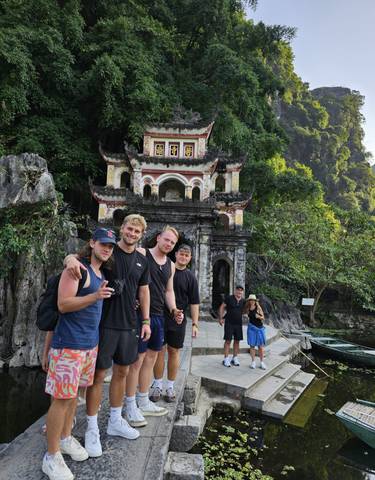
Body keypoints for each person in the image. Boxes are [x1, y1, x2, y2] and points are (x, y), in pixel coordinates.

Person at [65, 214, 151, 458]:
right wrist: (69, 257)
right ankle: (92, 427)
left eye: (137, 231)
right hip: (104, 323)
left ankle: (115, 419)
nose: (132, 233)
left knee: (123, 371)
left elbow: (144, 292)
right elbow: (78, 259)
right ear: (122, 228)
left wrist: (145, 321)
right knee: (98, 375)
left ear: (141, 235)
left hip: (129, 324)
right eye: (129, 229)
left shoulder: (142, 261)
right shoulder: (108, 252)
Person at [42, 228, 116, 480]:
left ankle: (65, 438)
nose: (107, 249)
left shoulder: (100, 273)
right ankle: (51, 456)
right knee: (62, 399)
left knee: (74, 397)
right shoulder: (77, 269)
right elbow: (63, 305)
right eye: (103, 244)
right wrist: (95, 296)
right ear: (92, 243)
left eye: (111, 246)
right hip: (69, 344)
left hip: (89, 345)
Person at [125, 226, 183, 417]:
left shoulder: (171, 265)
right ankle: (130, 403)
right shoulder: (142, 253)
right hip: (141, 315)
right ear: (158, 238)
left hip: (159, 315)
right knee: (137, 361)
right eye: (166, 239)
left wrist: (174, 310)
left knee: (151, 358)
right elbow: (126, 272)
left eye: (172, 243)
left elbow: (169, 291)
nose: (168, 244)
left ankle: (143, 400)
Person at [150, 244, 200, 403]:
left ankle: (170, 386)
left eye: (187, 255)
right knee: (159, 351)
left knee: (174, 351)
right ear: (175, 254)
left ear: (190, 258)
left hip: (179, 319)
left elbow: (194, 302)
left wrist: (195, 324)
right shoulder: (166, 269)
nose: (183, 257)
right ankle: (157, 384)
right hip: (160, 315)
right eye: (181, 254)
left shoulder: (190, 277)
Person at [218, 286, 246, 367]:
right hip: (229, 323)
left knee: (237, 341)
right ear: (235, 291)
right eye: (238, 290)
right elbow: (222, 307)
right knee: (228, 341)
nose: (239, 292)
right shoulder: (229, 298)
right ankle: (226, 359)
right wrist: (220, 318)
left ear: (242, 292)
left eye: (241, 291)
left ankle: (235, 358)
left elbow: (247, 310)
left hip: (238, 324)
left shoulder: (243, 301)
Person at [244, 294, 266, 369]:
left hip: (259, 328)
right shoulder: (247, 308)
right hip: (251, 328)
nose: (252, 301)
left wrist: (259, 316)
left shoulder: (258, 308)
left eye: (253, 300)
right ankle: (253, 362)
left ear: (255, 301)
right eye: (250, 300)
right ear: (249, 301)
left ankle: (262, 362)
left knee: (260, 346)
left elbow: (263, 318)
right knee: (252, 345)